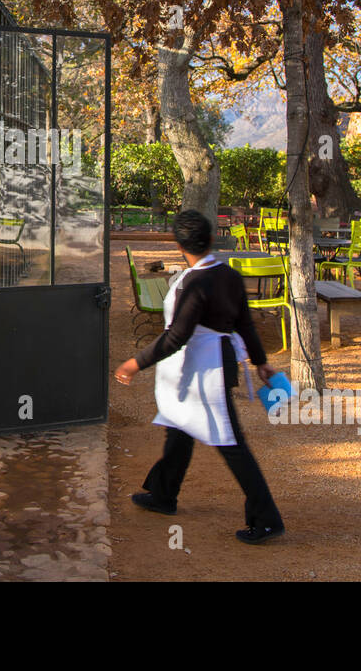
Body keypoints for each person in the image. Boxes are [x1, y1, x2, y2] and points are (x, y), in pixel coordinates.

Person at [114, 209, 286, 544]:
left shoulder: (195, 283)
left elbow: (175, 337)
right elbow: (245, 323)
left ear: (180, 246)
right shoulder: (229, 276)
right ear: (210, 240)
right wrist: (261, 362)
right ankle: (163, 494)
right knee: (179, 426)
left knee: (231, 442)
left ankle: (267, 519)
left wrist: (135, 363)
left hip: (207, 370)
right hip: (205, 365)